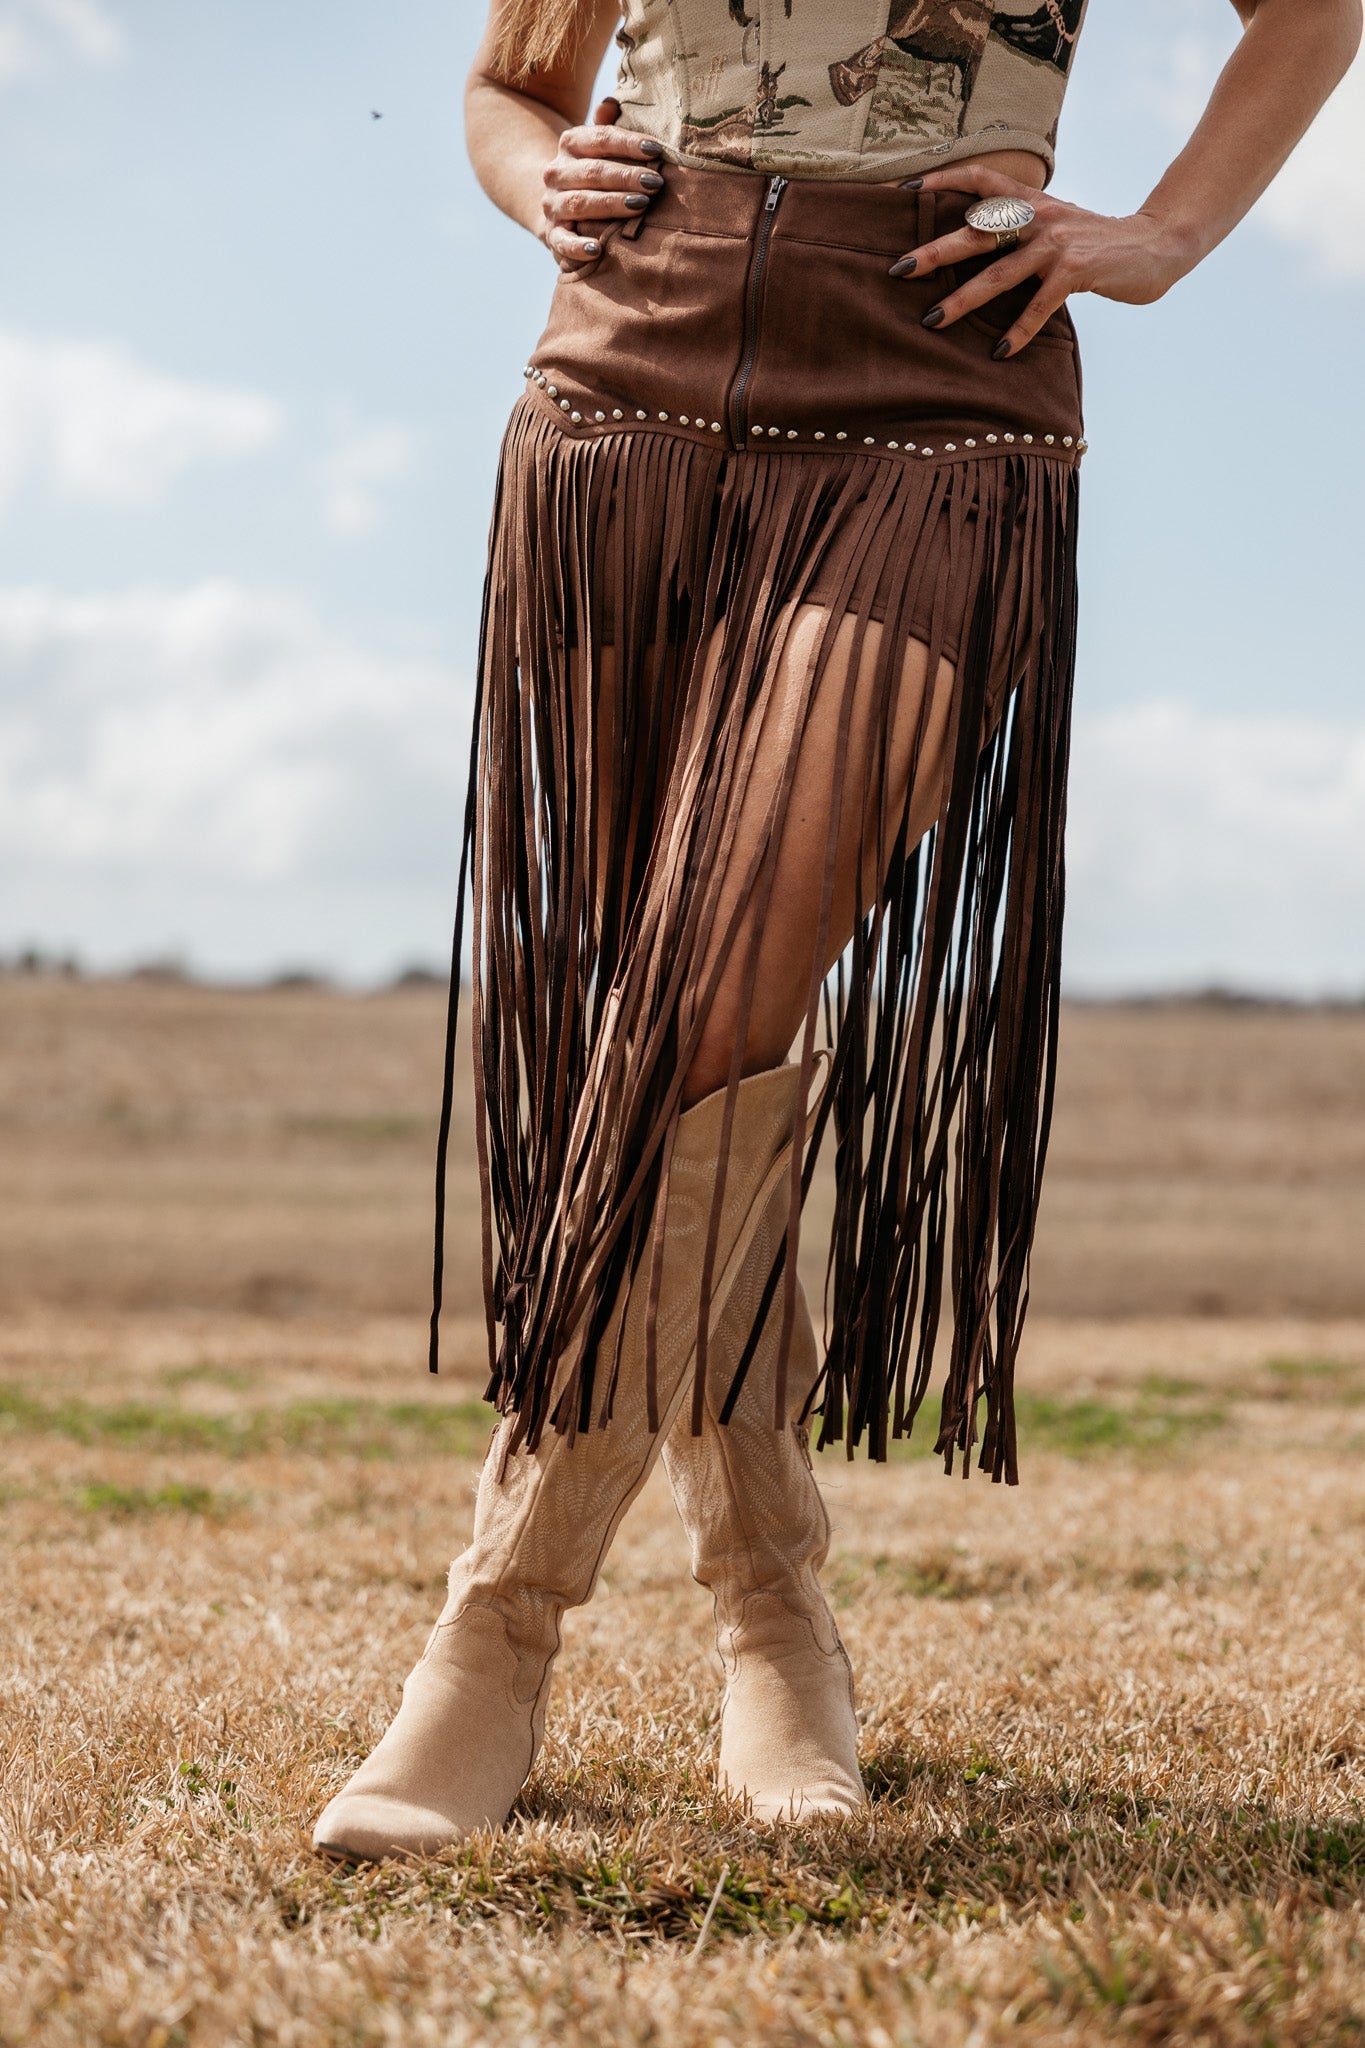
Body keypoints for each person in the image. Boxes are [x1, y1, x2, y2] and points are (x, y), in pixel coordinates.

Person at [313, 0, 1361, 1860]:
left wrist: (1170, 234)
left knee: (708, 992)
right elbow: (511, 85)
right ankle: (771, 1608)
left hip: (937, 402)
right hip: (620, 392)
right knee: (664, 1037)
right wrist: (527, 176)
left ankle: (496, 1627)